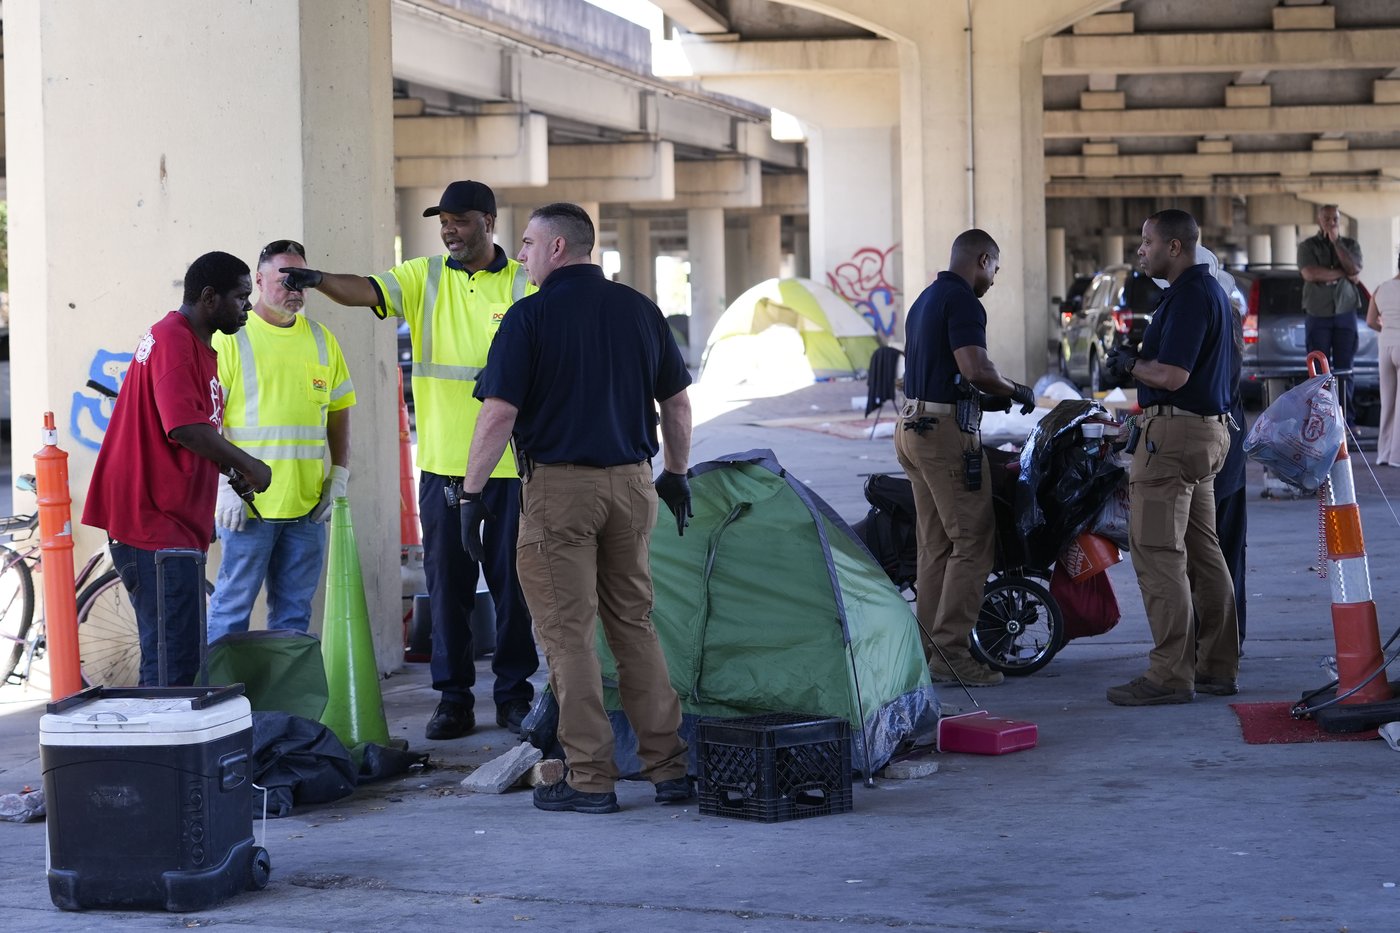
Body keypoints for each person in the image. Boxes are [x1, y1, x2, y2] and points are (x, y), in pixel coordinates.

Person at [280, 181, 539, 740]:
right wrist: (319, 280)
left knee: (513, 588)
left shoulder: (524, 281)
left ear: (488, 222)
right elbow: (364, 290)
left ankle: (515, 695)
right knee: (446, 587)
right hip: (445, 465)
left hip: (512, 469)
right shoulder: (423, 277)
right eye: (442, 220)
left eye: (460, 220)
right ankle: (453, 699)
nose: (448, 229)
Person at [458, 202, 693, 815]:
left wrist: (472, 492)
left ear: (559, 248)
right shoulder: (641, 310)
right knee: (634, 626)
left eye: (530, 243)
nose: (523, 254)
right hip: (634, 487)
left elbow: (499, 412)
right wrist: (677, 474)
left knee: (568, 638)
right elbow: (677, 404)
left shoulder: (529, 317)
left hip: (561, 493)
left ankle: (590, 779)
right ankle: (669, 768)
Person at [82, 252, 272, 687]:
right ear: (209, 297)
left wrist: (228, 470)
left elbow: (192, 430)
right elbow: (184, 428)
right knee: (173, 664)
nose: (248, 307)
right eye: (241, 297)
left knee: (178, 656)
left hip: (170, 525)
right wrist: (250, 465)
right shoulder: (173, 340)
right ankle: (161, 753)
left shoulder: (196, 345)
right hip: (151, 525)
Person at [1102, 209, 1239, 706]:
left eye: (1147, 242)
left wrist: (1132, 363)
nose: (1141, 250)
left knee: (1158, 555)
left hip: (1174, 436)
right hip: (1205, 437)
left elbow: (1175, 376)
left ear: (1175, 247)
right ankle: (1217, 668)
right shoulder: (1213, 294)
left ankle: (1169, 677)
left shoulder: (1186, 297)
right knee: (1204, 554)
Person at [893, 229, 1036, 687]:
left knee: (937, 545)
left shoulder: (926, 299)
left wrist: (977, 399)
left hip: (913, 427)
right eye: (994, 268)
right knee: (974, 541)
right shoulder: (964, 302)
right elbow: (976, 367)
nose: (993, 279)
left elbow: (941, 372)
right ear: (982, 259)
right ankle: (952, 654)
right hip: (943, 437)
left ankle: (928, 650)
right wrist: (1014, 390)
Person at [206, 240, 356, 642]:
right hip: (248, 508)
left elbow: (339, 410)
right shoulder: (230, 340)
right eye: (284, 279)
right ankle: (221, 703)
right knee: (231, 609)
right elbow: (209, 420)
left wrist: (339, 473)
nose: (295, 288)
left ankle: (282, 709)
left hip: (307, 509)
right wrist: (224, 486)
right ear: (258, 280)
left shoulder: (322, 340)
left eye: (302, 280)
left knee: (293, 618)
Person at [1298, 204, 1364, 424]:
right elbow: (1309, 273)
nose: (1331, 222)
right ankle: (1321, 420)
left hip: (1345, 311)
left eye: (1334, 218)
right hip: (1318, 313)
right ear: (1319, 220)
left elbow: (1354, 269)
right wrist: (1342, 273)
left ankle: (1346, 420)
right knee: (1319, 371)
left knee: (1345, 369)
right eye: (1326, 218)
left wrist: (1336, 242)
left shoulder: (1350, 244)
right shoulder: (1308, 245)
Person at [1366, 250, 1400, 466]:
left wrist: (1387, 329)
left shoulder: (1381, 288)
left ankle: (1383, 454)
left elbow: (1370, 321)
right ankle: (1397, 457)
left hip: (1385, 345)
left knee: (1387, 402)